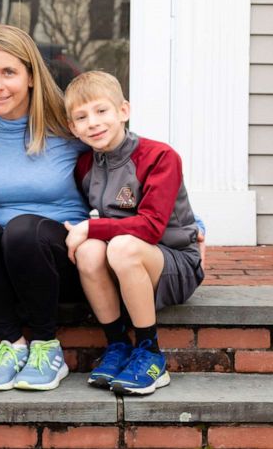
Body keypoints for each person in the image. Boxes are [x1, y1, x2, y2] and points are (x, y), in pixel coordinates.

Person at [0, 25, 90, 391]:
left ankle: (47, 346)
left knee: (24, 228)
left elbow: (132, 161)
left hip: (64, 264)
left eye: (8, 72)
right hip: (7, 268)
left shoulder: (68, 126)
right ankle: (12, 345)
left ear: (31, 76)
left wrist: (187, 223)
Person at [63, 71, 204, 395]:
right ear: (73, 128)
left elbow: (152, 226)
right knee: (88, 250)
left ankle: (149, 352)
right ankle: (117, 346)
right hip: (123, 262)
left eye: (101, 111)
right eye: (81, 118)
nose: (93, 123)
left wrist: (90, 227)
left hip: (173, 262)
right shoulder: (85, 166)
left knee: (122, 245)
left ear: (123, 111)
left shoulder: (159, 156)